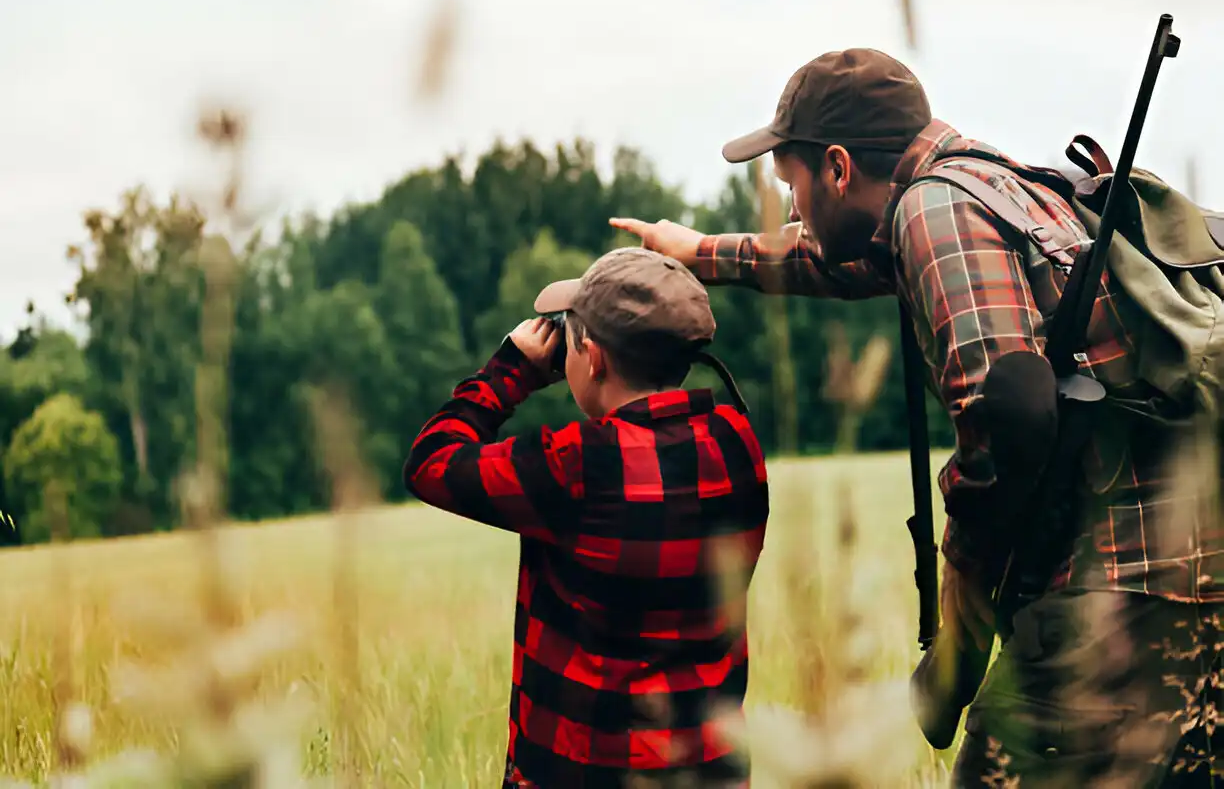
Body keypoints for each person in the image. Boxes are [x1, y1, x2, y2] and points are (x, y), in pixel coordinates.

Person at [610, 48, 1224, 786]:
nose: (795, 207)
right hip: (1193, 593)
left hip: (1119, 611)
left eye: (793, 185)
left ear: (837, 168)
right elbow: (834, 260)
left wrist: (955, 658)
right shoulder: (991, 185)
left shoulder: (936, 214)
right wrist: (701, 253)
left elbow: (1010, 434)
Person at [403, 247, 770, 789]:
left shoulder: (578, 466)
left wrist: (511, 373)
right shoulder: (737, 442)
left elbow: (431, 462)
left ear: (593, 358)